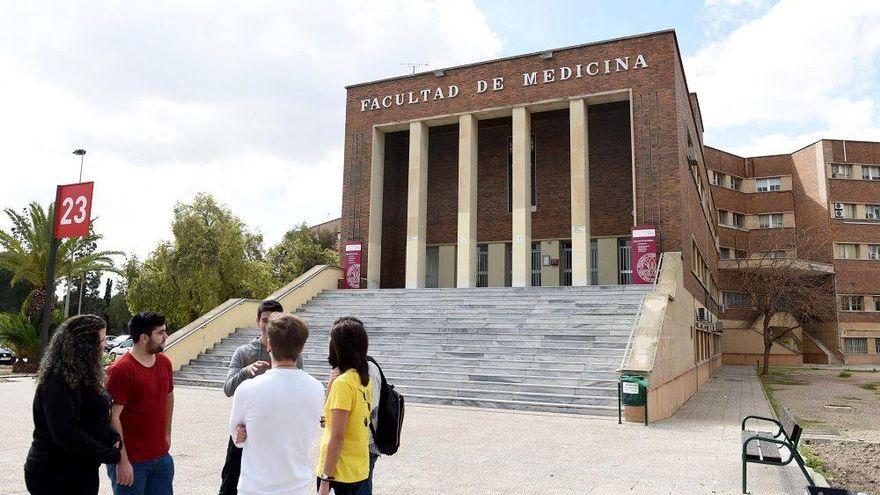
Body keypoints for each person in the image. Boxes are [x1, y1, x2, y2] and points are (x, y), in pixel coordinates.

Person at [24, 314, 122, 495]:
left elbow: (91, 415)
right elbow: (66, 433)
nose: (104, 346)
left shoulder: (83, 376)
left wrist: (111, 436)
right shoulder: (58, 382)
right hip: (54, 475)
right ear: (84, 346)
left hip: (81, 470)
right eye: (101, 341)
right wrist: (107, 454)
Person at [227, 313, 324, 495]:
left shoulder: (247, 389)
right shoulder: (317, 389)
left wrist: (240, 433)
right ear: (302, 348)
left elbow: (236, 437)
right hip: (297, 488)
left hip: (254, 488)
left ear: (269, 345)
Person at [219, 299, 304, 495]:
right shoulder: (243, 352)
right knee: (230, 483)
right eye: (265, 320)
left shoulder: (293, 355)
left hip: (277, 433)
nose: (269, 325)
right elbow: (228, 389)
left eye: (275, 320)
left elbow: (297, 390)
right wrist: (246, 371)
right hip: (244, 432)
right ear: (258, 321)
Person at [106, 312, 175, 495]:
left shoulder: (165, 363)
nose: (165, 337)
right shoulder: (120, 371)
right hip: (131, 462)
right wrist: (122, 461)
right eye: (161, 333)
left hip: (161, 459)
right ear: (144, 338)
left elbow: (169, 396)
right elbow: (113, 418)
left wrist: (167, 432)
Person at [316, 317, 373, 495]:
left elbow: (338, 437)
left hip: (338, 472)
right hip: (358, 469)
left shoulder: (343, 383)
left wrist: (326, 479)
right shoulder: (363, 378)